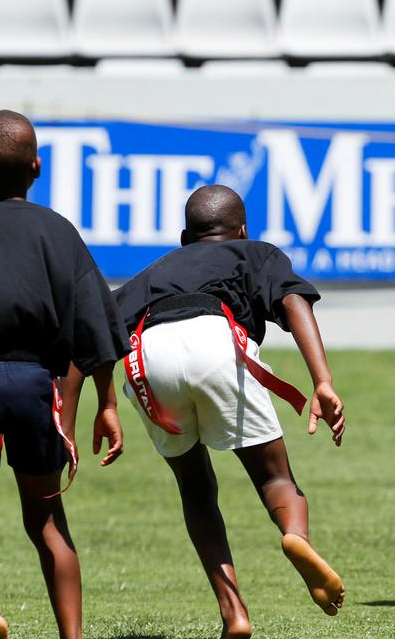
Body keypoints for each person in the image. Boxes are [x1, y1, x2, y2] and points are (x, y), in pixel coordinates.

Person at [73, 185, 347, 638]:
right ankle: (295, 536)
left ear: (185, 237)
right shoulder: (255, 251)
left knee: (196, 488)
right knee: (274, 477)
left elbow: (95, 338)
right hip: (216, 338)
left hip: (148, 352)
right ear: (242, 229)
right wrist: (322, 380)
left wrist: (99, 408)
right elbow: (293, 301)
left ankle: (233, 613)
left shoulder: (154, 270)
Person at [0, 110, 129, 639]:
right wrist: (107, 402)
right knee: (49, 526)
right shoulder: (58, 232)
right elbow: (95, 327)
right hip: (40, 391)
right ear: (36, 166)